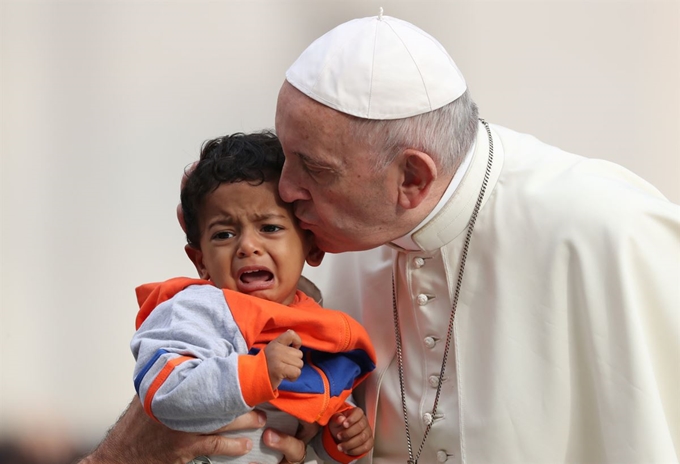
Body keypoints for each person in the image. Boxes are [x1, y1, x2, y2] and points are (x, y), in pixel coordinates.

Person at [81, 13, 679, 464]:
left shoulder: (611, 236)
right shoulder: (314, 247)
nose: (284, 191)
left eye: (311, 168)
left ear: (412, 178)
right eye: (284, 155)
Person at [130, 131, 376, 464]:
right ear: (201, 260)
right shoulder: (198, 309)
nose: (247, 246)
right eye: (224, 234)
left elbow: (307, 436)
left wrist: (340, 433)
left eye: (270, 228)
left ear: (312, 244)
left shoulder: (317, 323)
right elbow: (163, 388)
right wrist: (256, 374)